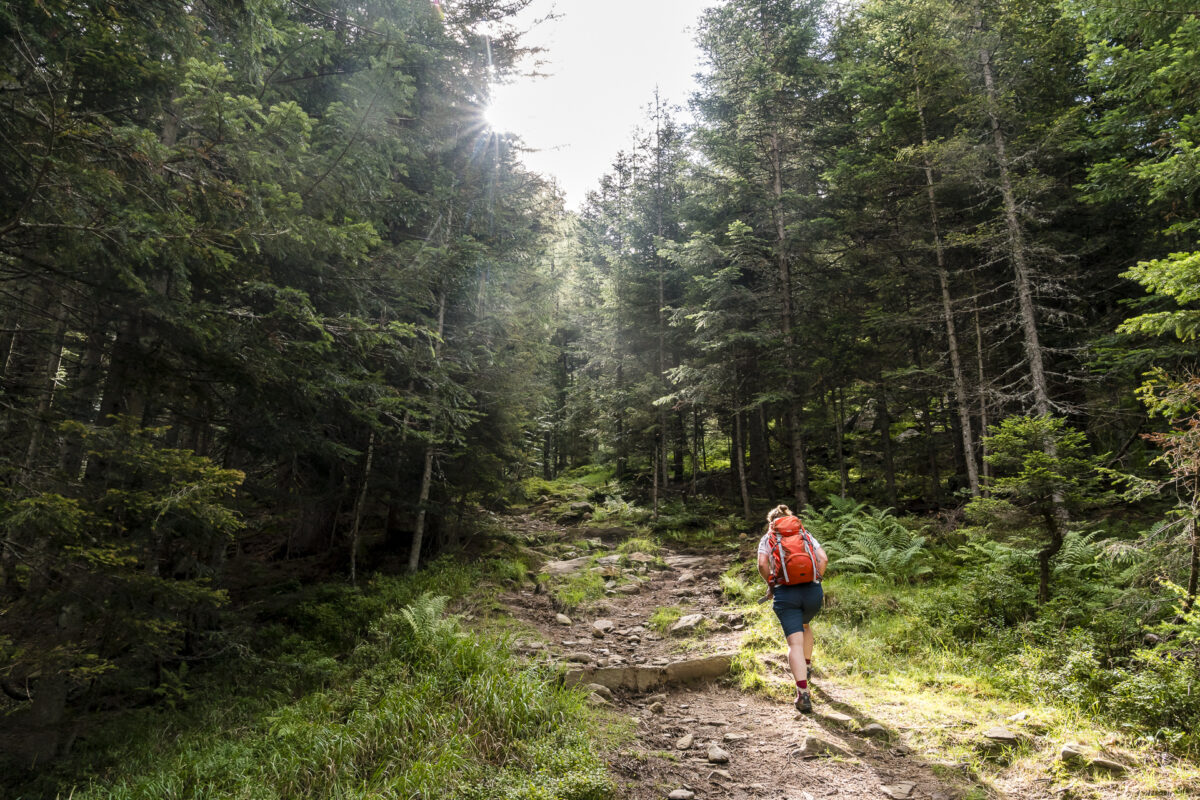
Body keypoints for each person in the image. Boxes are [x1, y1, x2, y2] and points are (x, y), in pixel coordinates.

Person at [757, 504, 828, 713]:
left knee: (794, 643)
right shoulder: (805, 534)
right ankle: (807, 667)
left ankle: (803, 694)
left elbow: (762, 565)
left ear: (772, 522)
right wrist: (818, 579)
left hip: (786, 593)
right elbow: (823, 558)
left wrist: (771, 585)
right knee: (805, 625)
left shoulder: (768, 538)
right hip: (812, 592)